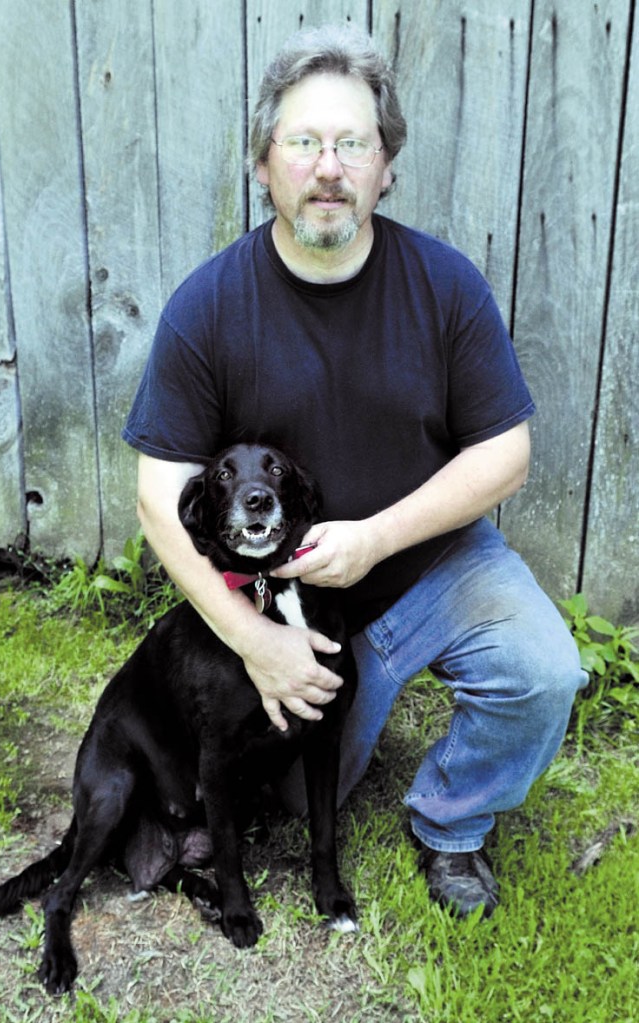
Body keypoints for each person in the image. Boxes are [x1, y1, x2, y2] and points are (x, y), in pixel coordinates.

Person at [122, 24, 587, 918]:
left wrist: (376, 536)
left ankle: (450, 823)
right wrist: (255, 642)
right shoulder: (208, 307)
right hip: (286, 598)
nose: (327, 167)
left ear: (386, 167)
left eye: (352, 144)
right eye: (301, 142)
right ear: (263, 164)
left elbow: (506, 452)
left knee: (542, 670)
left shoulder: (444, 286)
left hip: (431, 564)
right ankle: (338, 704)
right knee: (295, 800)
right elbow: (156, 495)